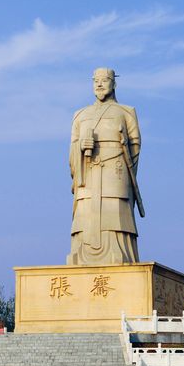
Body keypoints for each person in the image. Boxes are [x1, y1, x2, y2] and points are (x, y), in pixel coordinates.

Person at [67, 67, 143, 265]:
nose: (99, 84)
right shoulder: (80, 115)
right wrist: (80, 147)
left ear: (114, 83)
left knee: (116, 214)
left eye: (105, 80)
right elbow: (71, 149)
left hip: (115, 172)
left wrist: (120, 156)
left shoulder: (126, 112)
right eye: (96, 81)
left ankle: (121, 253)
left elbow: (135, 146)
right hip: (88, 173)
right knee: (85, 215)